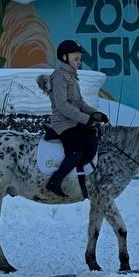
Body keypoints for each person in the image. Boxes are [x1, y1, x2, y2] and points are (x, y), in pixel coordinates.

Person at [45, 39, 108, 198]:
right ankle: (55, 181)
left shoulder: (72, 76)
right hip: (63, 123)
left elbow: (79, 102)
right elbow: (62, 105)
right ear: (65, 58)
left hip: (74, 122)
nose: (79, 62)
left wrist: (94, 114)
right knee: (78, 149)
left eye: (80, 59)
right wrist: (85, 119)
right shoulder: (59, 76)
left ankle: (83, 178)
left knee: (93, 139)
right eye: (76, 59)